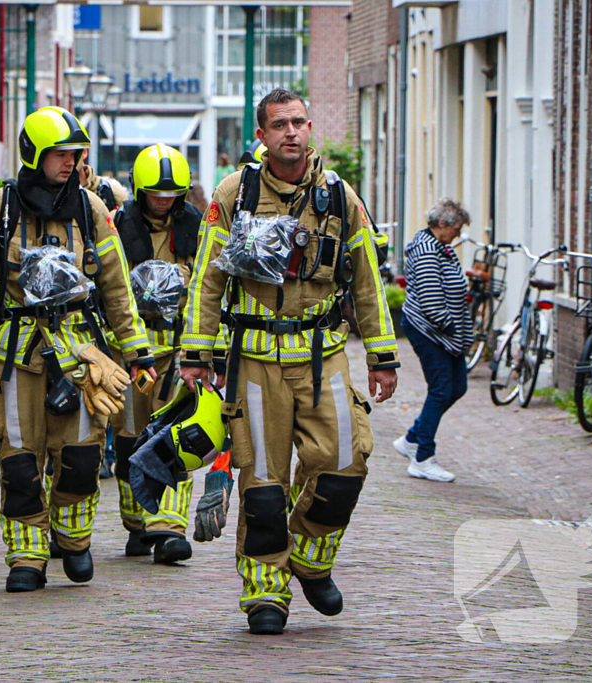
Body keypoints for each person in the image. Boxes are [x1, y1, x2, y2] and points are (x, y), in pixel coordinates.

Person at [181, 88, 399, 635]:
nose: (292, 133)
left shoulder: (340, 196)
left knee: (346, 462)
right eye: (280, 125)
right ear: (262, 135)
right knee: (263, 483)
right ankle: (265, 592)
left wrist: (382, 354)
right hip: (255, 361)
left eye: (299, 122)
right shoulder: (235, 193)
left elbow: (367, 280)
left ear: (310, 127)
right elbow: (207, 278)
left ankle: (310, 559)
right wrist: (196, 352)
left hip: (324, 355)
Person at [0, 106, 155, 593]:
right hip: (18, 358)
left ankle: (73, 541)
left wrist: (137, 352)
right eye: (60, 154)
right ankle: (27, 556)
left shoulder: (91, 210)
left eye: (75, 154)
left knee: (80, 458)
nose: (71, 163)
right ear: (34, 155)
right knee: (19, 462)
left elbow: (117, 286)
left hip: (79, 356)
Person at [109, 144, 209, 564]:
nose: (164, 201)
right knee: (130, 438)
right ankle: (138, 523)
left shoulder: (196, 226)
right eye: (156, 194)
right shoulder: (117, 225)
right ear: (139, 191)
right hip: (131, 352)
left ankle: (168, 528)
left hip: (178, 350)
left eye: (171, 194)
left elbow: (207, 284)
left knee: (174, 436)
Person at [391, 198, 472, 482]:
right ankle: (422, 457)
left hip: (445, 333)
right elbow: (430, 297)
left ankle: (412, 438)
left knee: (457, 387)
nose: (458, 235)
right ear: (442, 224)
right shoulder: (427, 249)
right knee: (441, 389)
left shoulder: (441, 247)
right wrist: (449, 325)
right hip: (430, 331)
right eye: (456, 229)